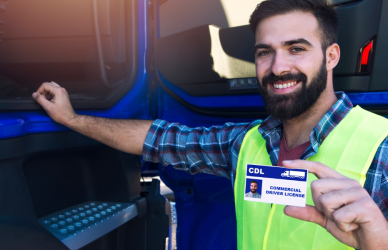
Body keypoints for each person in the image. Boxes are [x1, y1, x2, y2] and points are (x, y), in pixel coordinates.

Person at [32, 0, 388, 249]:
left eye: (296, 49)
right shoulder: (244, 143)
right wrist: (72, 119)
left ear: (331, 57)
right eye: (265, 52)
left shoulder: (381, 148)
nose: (278, 67)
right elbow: (158, 139)